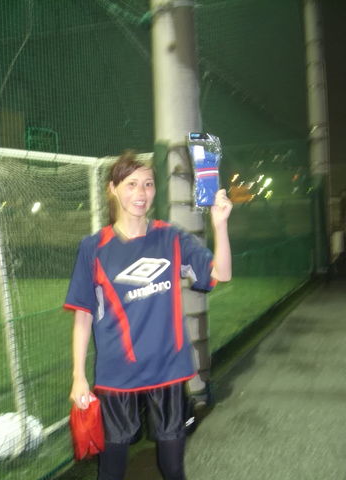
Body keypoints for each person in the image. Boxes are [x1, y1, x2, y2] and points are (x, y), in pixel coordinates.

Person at [64, 151, 233, 480]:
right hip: (118, 375)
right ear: (113, 189)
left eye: (148, 184)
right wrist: (78, 376)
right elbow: (83, 315)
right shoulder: (94, 247)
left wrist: (220, 224)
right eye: (131, 184)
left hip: (168, 369)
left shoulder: (171, 237)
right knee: (111, 471)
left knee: (173, 468)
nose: (141, 193)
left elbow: (220, 273)